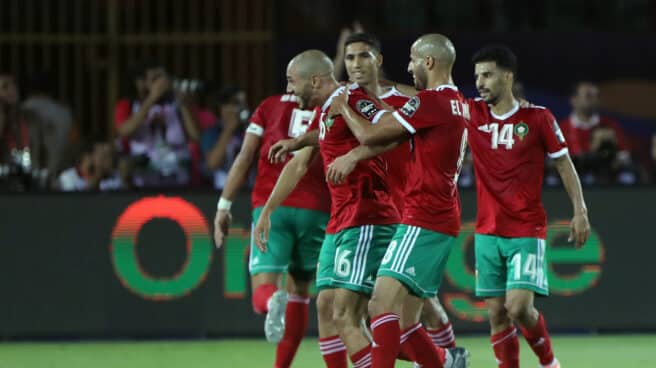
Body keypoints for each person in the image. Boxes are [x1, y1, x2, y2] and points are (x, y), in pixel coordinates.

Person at [327, 33, 470, 368]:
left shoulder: (430, 102)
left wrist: (343, 108)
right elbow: (386, 140)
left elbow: (372, 134)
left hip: (424, 216)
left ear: (429, 62)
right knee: (405, 323)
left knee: (379, 306)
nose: (409, 67)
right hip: (438, 215)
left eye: (413, 60)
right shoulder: (457, 101)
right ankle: (448, 362)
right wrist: (356, 155)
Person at [254, 49, 401, 368]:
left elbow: (394, 128)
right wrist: (267, 211)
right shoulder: (325, 111)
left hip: (366, 216)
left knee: (348, 315)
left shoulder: (352, 96)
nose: (289, 91)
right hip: (341, 220)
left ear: (315, 80)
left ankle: (439, 358)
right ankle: (438, 357)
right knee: (327, 306)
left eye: (292, 82)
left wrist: (353, 157)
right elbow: (300, 163)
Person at [468, 45, 590, 368]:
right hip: (486, 231)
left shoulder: (538, 118)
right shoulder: (471, 114)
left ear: (508, 77)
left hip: (525, 229)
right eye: (477, 76)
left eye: (488, 75)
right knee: (496, 313)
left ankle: (549, 362)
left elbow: (564, 165)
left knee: (518, 307)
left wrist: (580, 211)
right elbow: (431, 100)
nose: (480, 83)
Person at [212, 88, 328, 368]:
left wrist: (223, 206)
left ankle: (271, 301)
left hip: (271, 204)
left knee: (263, 291)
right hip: (317, 206)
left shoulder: (269, 106)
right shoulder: (328, 106)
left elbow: (245, 156)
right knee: (299, 291)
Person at [114, 60, 200, 188]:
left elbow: (196, 136)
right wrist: (152, 98)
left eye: (163, 77)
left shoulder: (177, 105)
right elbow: (124, 131)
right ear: (141, 83)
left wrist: (183, 104)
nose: (161, 83)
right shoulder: (128, 105)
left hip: (178, 180)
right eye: (155, 79)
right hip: (143, 181)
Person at [559, 81, 635, 184]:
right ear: (574, 100)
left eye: (597, 96)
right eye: (588, 96)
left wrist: (611, 154)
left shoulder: (610, 126)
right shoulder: (561, 129)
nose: (594, 100)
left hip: (605, 180)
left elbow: (625, 156)